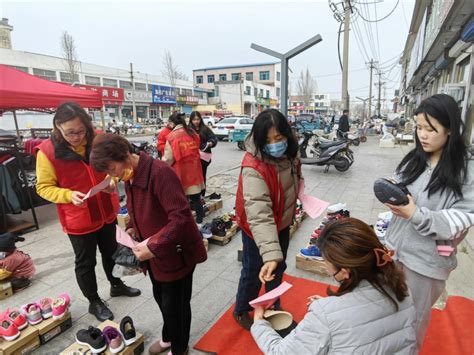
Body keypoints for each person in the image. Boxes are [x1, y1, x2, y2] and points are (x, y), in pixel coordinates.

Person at [90, 134, 207, 355]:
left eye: (110, 167)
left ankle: (179, 347)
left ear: (124, 154)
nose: (110, 174)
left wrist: (153, 245)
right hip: (153, 256)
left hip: (174, 253)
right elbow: (138, 209)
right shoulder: (130, 175)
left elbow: (181, 218)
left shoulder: (160, 173)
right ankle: (168, 337)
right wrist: (133, 227)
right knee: (161, 297)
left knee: (177, 306)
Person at [35, 102, 140, 322]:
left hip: (106, 209)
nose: (76, 137)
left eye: (81, 131)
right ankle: (94, 301)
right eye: (70, 132)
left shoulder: (98, 140)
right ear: (57, 127)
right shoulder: (47, 152)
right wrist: (67, 195)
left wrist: (112, 180)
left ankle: (116, 284)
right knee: (85, 262)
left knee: (112, 251)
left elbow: (115, 167)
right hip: (78, 217)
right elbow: (43, 187)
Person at [383, 93, 474, 349]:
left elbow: (460, 219)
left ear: (450, 130)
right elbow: (401, 188)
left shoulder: (466, 170)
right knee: (388, 315)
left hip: (426, 264)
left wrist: (415, 214)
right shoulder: (415, 158)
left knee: (411, 324)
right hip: (395, 253)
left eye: (430, 129)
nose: (422, 135)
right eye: (419, 128)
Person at [251, 218, 417, 354]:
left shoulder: (325, 315)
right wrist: (334, 309)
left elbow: (280, 353)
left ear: (344, 272)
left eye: (326, 261)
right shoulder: (402, 289)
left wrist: (259, 323)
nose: (325, 266)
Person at [233, 109, 302, 330]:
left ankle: (272, 303)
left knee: (277, 267)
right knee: (254, 270)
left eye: (279, 138)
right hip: (256, 228)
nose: (274, 144)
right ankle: (242, 309)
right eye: (268, 140)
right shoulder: (254, 166)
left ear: (287, 135)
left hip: (281, 221)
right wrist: (270, 253)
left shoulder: (291, 153)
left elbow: (293, 181)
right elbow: (260, 214)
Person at [163, 112, 205, 226]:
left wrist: (162, 163)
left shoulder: (172, 136)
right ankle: (200, 219)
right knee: (196, 197)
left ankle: (187, 221)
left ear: (172, 123)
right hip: (194, 167)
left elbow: (168, 158)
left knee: (182, 198)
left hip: (181, 170)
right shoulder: (192, 132)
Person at [189, 111, 218, 196]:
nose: (196, 121)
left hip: (203, 158)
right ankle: (193, 195)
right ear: (191, 120)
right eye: (194, 120)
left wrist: (211, 143)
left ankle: (202, 195)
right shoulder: (188, 129)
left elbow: (213, 138)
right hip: (192, 158)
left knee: (202, 176)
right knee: (193, 178)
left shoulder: (205, 129)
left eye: (198, 119)